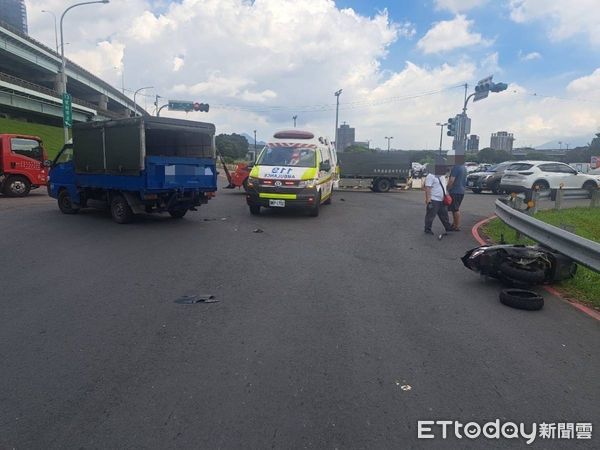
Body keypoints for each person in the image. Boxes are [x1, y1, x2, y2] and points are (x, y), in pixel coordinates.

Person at [424, 160, 453, 235]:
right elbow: (428, 188)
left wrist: (447, 194)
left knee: (444, 215)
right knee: (431, 215)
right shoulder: (430, 176)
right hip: (434, 199)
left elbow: (444, 186)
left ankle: (448, 227)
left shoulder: (442, 176)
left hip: (442, 199)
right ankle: (427, 229)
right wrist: (428, 200)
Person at [447, 154, 468, 231]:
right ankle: (454, 223)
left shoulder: (456, 167)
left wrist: (447, 188)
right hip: (461, 190)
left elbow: (452, 180)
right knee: (454, 208)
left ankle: (457, 226)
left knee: (455, 209)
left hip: (455, 190)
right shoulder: (464, 167)